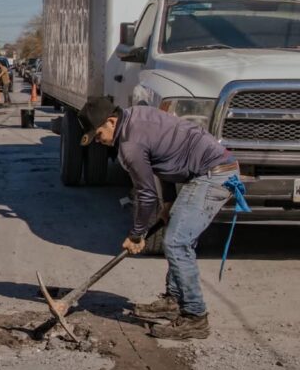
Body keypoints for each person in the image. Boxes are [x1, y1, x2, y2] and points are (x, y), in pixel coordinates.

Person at [77, 96, 238, 340]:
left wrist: (137, 234)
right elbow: (165, 159)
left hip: (214, 174)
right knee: (176, 236)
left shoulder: (130, 144)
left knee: (176, 241)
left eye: (98, 134)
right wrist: (170, 202)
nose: (99, 141)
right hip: (205, 171)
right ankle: (174, 301)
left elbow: (146, 194)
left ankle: (195, 317)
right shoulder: (135, 116)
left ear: (111, 121)